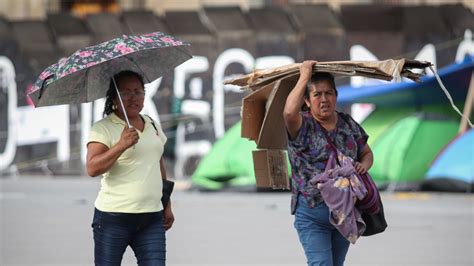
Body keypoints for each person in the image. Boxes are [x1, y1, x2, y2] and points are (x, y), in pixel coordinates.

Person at [283, 60, 374, 266]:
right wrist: (304, 75)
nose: (324, 99)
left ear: (335, 96)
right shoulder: (302, 125)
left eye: (328, 93)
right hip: (312, 212)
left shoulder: (348, 123)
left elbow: (366, 152)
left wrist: (364, 166)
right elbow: (289, 113)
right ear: (307, 101)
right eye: (317, 95)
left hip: (345, 212)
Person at [86, 70, 174, 266]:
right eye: (125, 92)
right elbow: (92, 168)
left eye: (138, 91)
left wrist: (166, 204)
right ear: (114, 98)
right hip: (113, 218)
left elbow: (157, 162)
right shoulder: (103, 128)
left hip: (151, 218)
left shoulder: (151, 123)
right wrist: (121, 145)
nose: (133, 97)